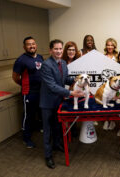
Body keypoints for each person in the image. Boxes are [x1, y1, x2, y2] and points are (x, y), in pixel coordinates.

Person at [39, 39, 84, 169]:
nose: (59, 51)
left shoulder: (63, 62)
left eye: (60, 49)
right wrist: (71, 93)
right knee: (47, 130)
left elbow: (65, 79)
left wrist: (77, 79)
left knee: (57, 126)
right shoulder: (46, 65)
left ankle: (57, 145)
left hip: (58, 101)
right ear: (51, 50)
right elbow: (52, 86)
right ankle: (48, 156)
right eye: (56, 49)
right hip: (47, 103)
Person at [12, 36, 44, 148]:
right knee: (28, 115)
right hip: (29, 92)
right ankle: (26, 138)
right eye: (29, 44)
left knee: (40, 112)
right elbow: (15, 77)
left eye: (33, 44)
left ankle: (39, 127)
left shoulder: (40, 57)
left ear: (36, 45)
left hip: (41, 91)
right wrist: (24, 84)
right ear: (24, 47)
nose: (32, 46)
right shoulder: (21, 60)